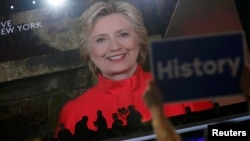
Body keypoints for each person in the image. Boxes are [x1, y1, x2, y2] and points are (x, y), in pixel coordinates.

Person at [56, 0, 214, 140]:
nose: (115, 47)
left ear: (139, 40)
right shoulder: (72, 113)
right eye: (101, 39)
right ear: (88, 51)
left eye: (123, 34)